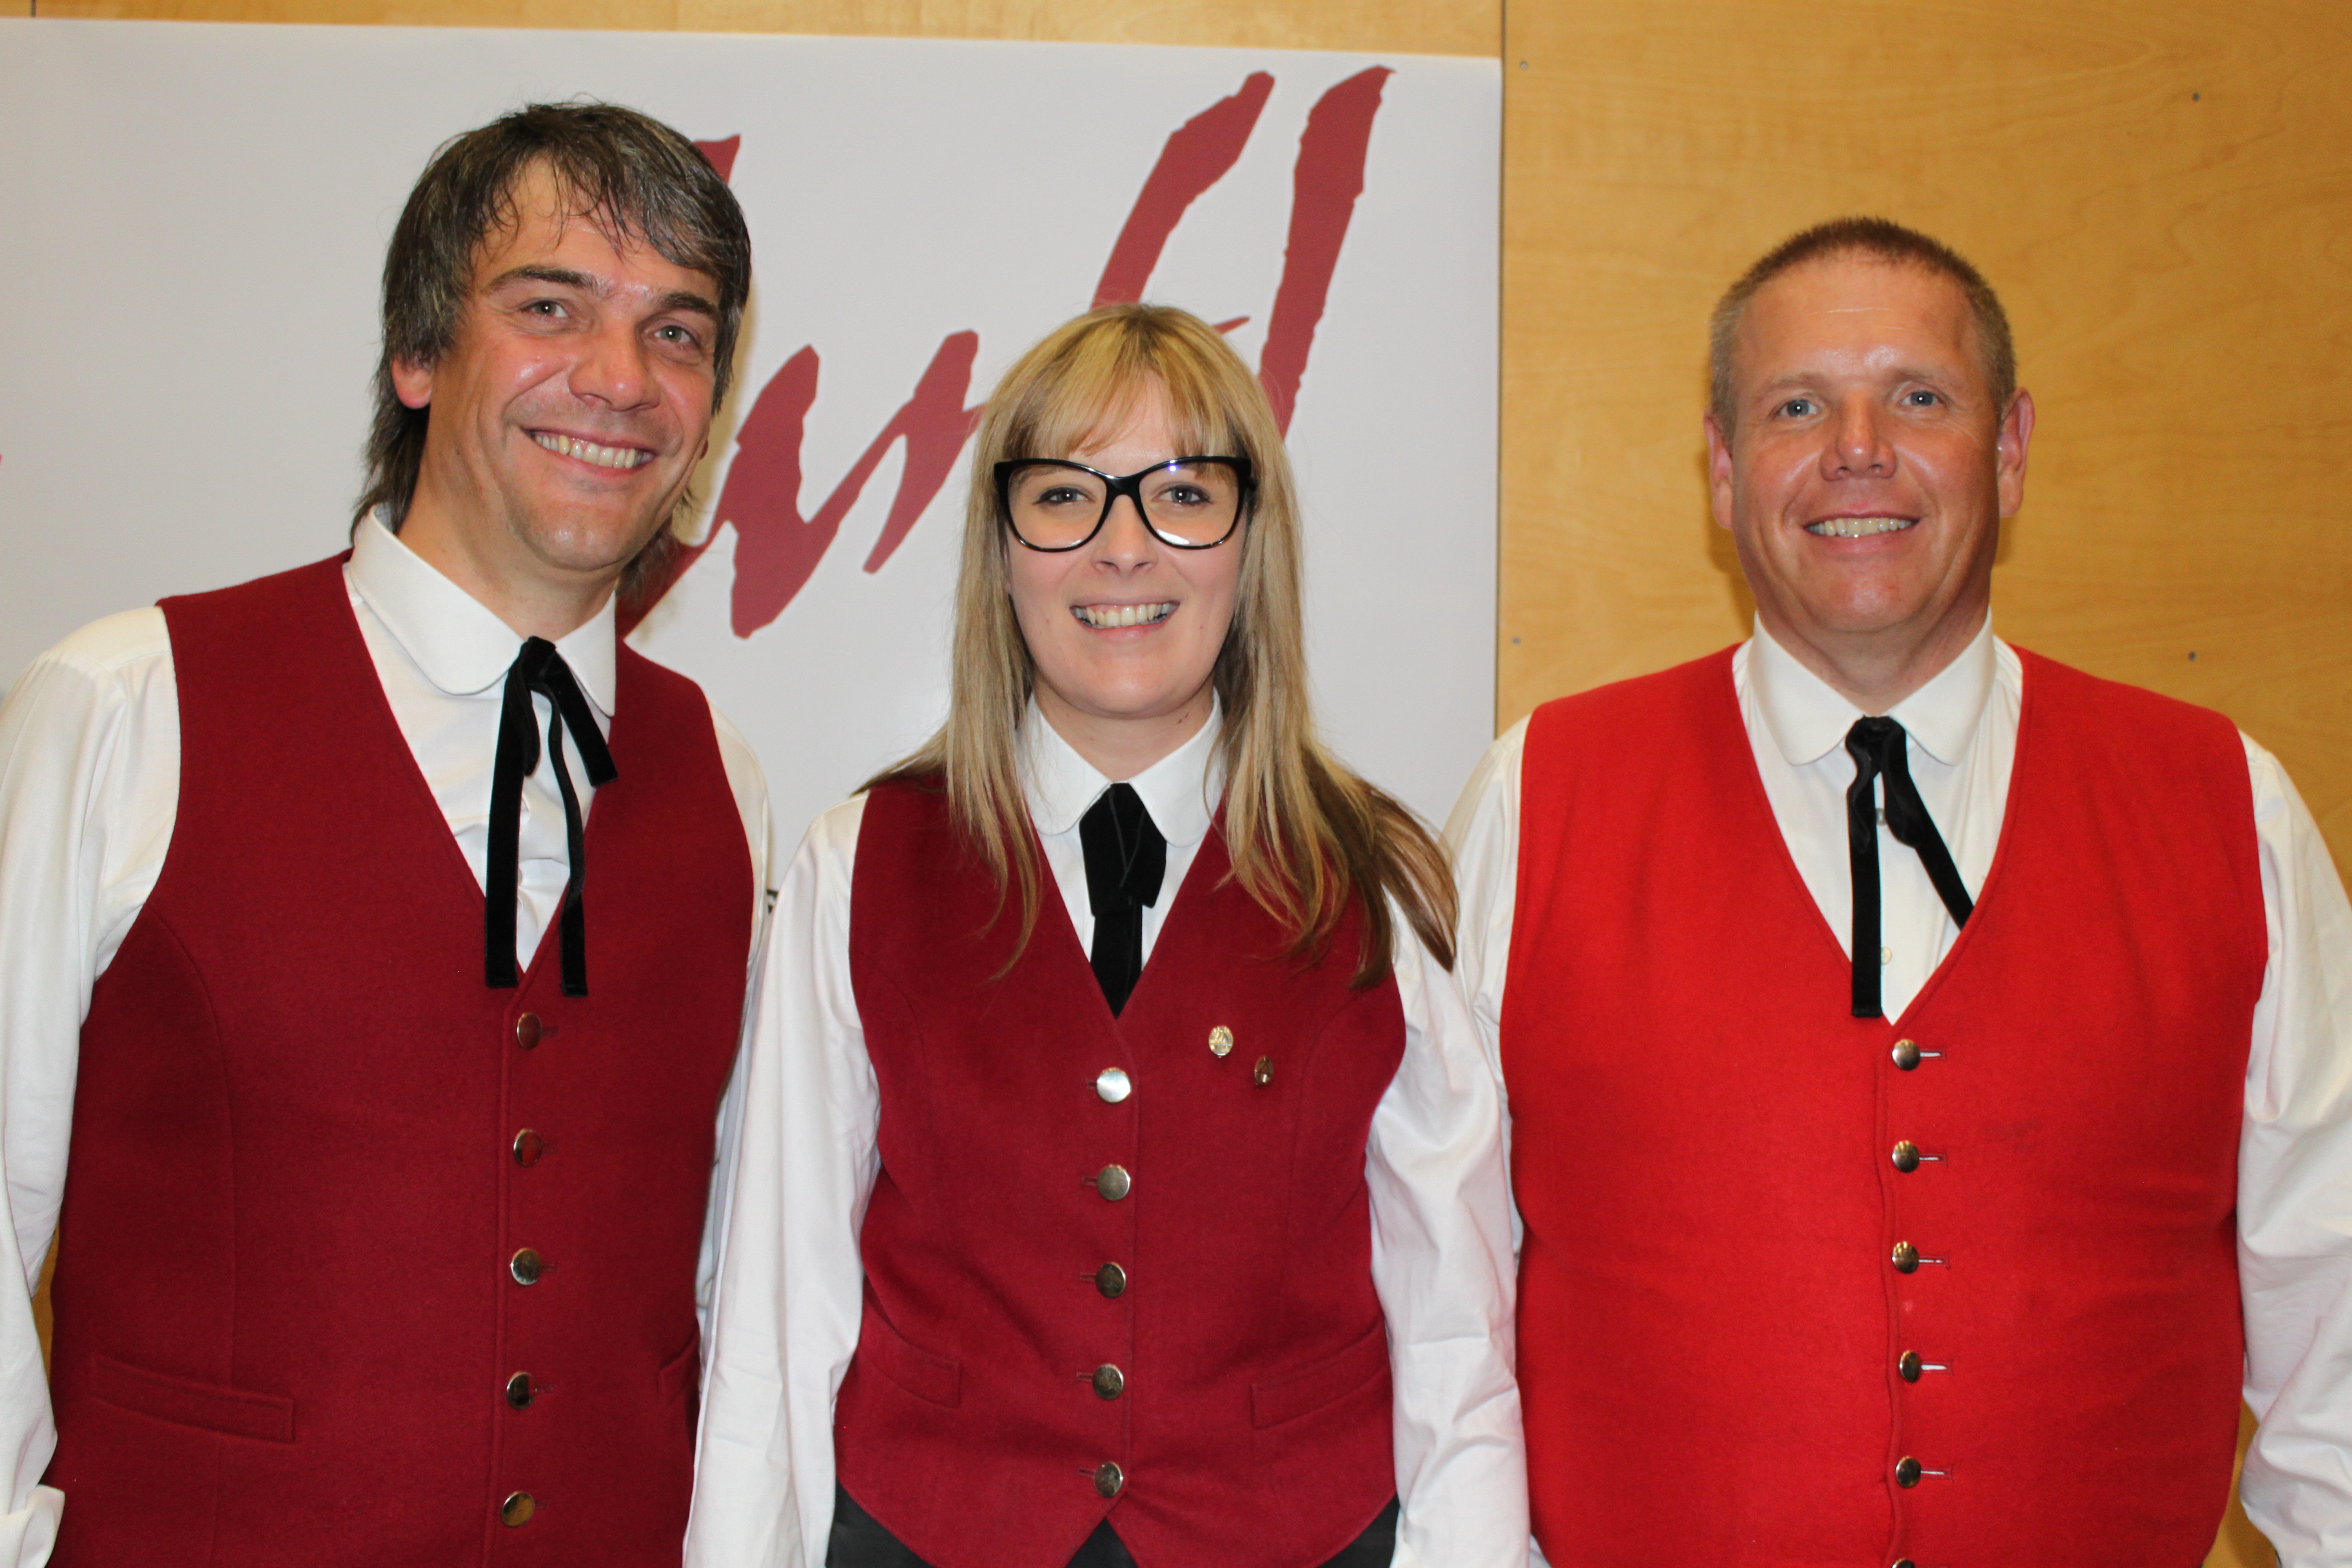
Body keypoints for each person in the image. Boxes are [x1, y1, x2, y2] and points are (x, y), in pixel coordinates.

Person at [1448, 214, 2352, 1563]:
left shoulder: (2233, 809)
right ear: (1722, 469)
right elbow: (1445, 1315)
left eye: (1919, 398)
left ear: (2012, 449)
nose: (1856, 447)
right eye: (1796, 406)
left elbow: (2336, 1320)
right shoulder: (1535, 800)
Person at [0, 103, 770, 1565]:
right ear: (417, 354)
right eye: (552, 307)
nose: (621, 378)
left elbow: (732, 1275)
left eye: (677, 332)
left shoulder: (723, 776)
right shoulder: (124, 703)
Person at [686, 303, 1527, 1568]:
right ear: (1002, 549)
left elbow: (1458, 1337)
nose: (1123, 549)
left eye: (1183, 495)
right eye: (1066, 496)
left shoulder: (1380, 884)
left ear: (1251, 544)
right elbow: (776, 1313)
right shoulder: (856, 865)